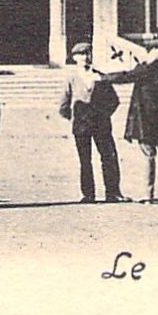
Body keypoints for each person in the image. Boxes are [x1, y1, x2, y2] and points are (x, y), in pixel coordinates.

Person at [102, 36, 158, 203]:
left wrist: (103, 77)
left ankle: (147, 194)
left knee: (148, 158)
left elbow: (124, 76)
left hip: (147, 122)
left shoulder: (146, 69)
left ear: (153, 52)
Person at [58, 42, 128, 203]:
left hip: (101, 124)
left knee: (108, 157)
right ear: (75, 58)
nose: (85, 58)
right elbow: (63, 105)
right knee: (85, 160)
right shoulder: (71, 79)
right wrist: (75, 118)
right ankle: (88, 194)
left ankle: (113, 193)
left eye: (88, 54)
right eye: (81, 55)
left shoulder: (101, 76)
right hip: (81, 127)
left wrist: (103, 115)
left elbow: (114, 101)